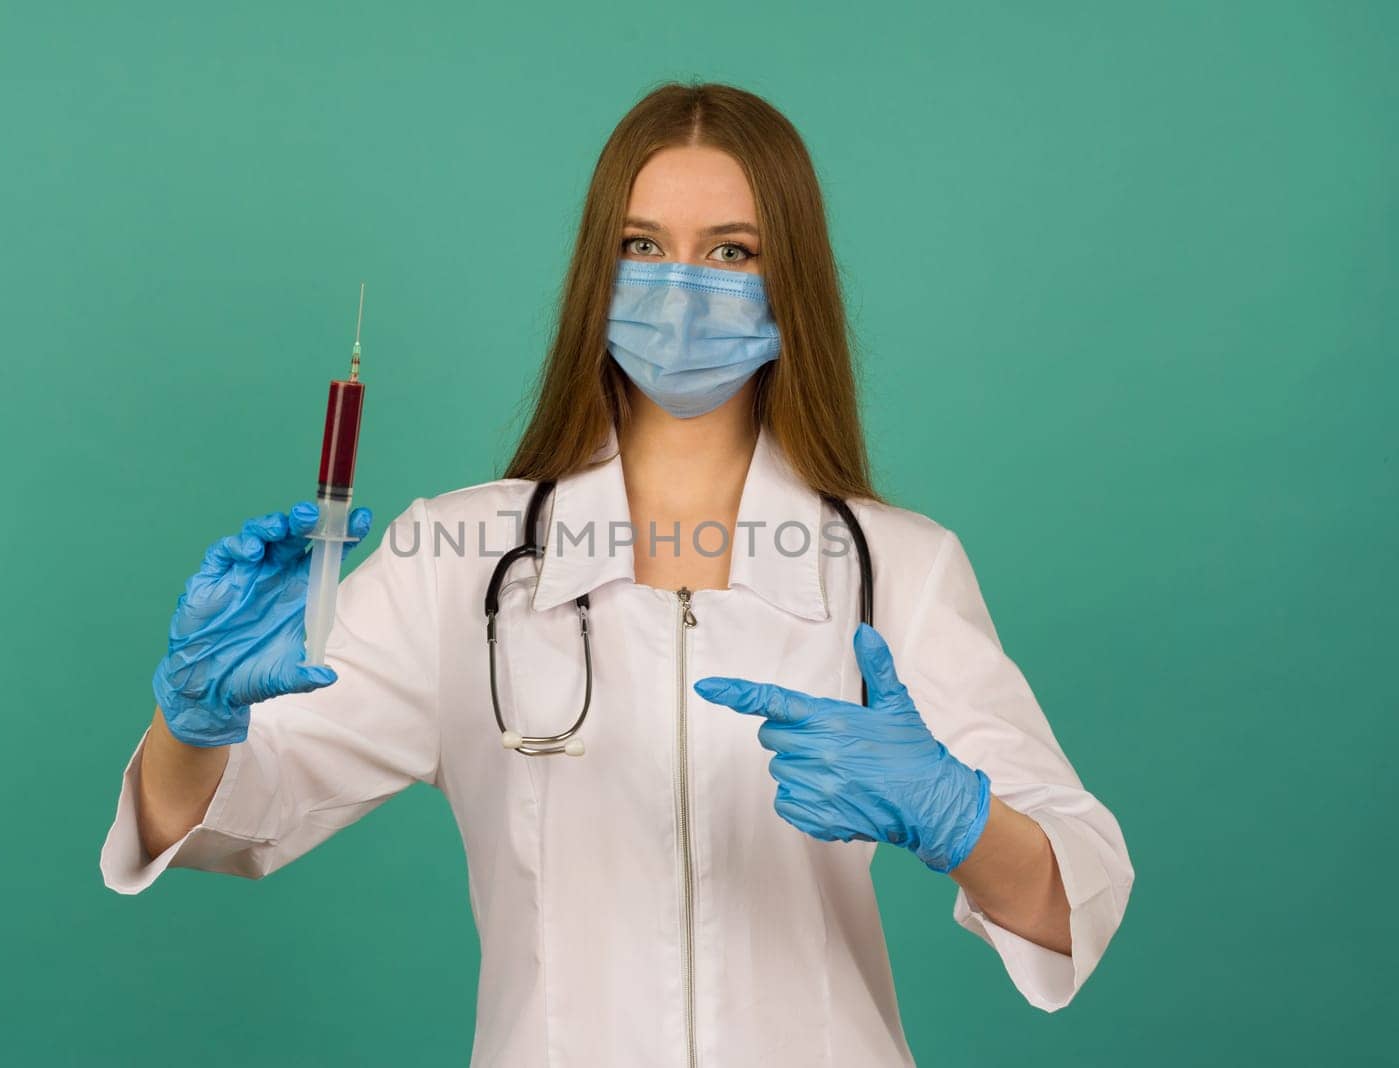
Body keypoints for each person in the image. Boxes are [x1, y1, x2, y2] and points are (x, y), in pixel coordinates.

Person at [100, 81, 1134, 1067]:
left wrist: (958, 818)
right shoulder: (458, 562)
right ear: (597, 272)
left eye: (730, 252)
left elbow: (1069, 893)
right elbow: (238, 811)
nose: (679, 288)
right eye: (642, 247)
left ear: (792, 285)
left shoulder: (894, 568)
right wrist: (192, 723)